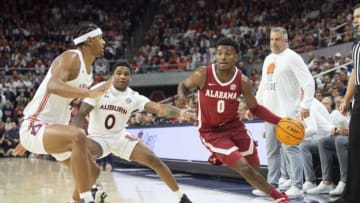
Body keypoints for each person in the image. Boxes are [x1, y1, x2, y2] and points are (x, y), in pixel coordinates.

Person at [177, 37, 289, 203]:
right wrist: (181, 96)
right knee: (244, 167)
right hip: (211, 132)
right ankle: (279, 197)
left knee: (254, 169)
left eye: (228, 53)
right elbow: (183, 85)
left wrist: (280, 121)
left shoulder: (243, 81)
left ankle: (219, 156)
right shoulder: (203, 73)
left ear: (236, 57)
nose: (222, 57)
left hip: (235, 126)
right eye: (219, 53)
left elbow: (255, 108)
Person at [70, 62, 194, 203]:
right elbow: (81, 114)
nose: (122, 76)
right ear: (112, 76)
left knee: (154, 160)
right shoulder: (99, 89)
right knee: (82, 157)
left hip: (119, 137)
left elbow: (160, 108)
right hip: (98, 138)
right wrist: (74, 135)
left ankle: (181, 197)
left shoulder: (134, 96)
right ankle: (79, 198)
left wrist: (182, 113)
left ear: (131, 78)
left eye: (126, 74)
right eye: (119, 73)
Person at [18, 22, 112, 203]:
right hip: (35, 125)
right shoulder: (71, 57)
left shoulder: (89, 73)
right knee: (78, 135)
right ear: (90, 41)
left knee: (93, 172)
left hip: (52, 130)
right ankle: (87, 198)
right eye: (101, 38)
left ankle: (75, 201)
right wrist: (88, 93)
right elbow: (53, 85)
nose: (104, 42)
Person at [248, 27, 315, 198]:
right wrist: (253, 106)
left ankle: (297, 186)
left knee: (291, 150)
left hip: (287, 114)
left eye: (277, 39)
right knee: (272, 151)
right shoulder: (268, 59)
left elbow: (308, 82)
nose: (273, 43)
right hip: (269, 113)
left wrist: (305, 104)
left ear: (286, 41)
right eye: (271, 39)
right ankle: (271, 186)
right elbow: (263, 85)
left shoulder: (293, 58)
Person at [332, 4, 360, 203]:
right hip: (359, 97)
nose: (355, 20)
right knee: (355, 145)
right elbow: (354, 74)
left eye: (359, 16)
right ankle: (352, 196)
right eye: (355, 17)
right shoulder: (356, 43)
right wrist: (347, 99)